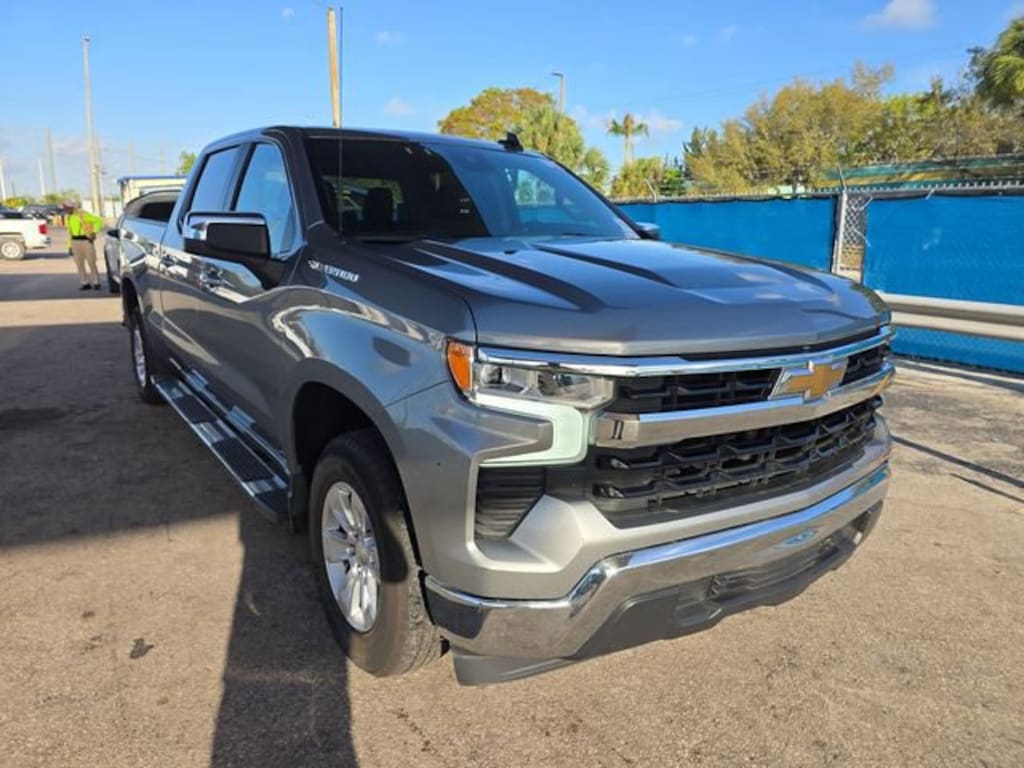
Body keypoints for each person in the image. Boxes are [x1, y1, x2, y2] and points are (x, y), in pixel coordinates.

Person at [64, 201, 103, 291]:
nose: (65, 210)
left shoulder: (82, 214)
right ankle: (85, 283)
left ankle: (96, 282)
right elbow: (69, 233)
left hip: (86, 240)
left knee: (91, 262)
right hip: (75, 241)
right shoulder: (68, 217)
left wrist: (94, 232)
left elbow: (98, 221)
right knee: (79, 264)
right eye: (64, 208)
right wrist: (70, 246)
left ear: (71, 207)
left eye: (66, 208)